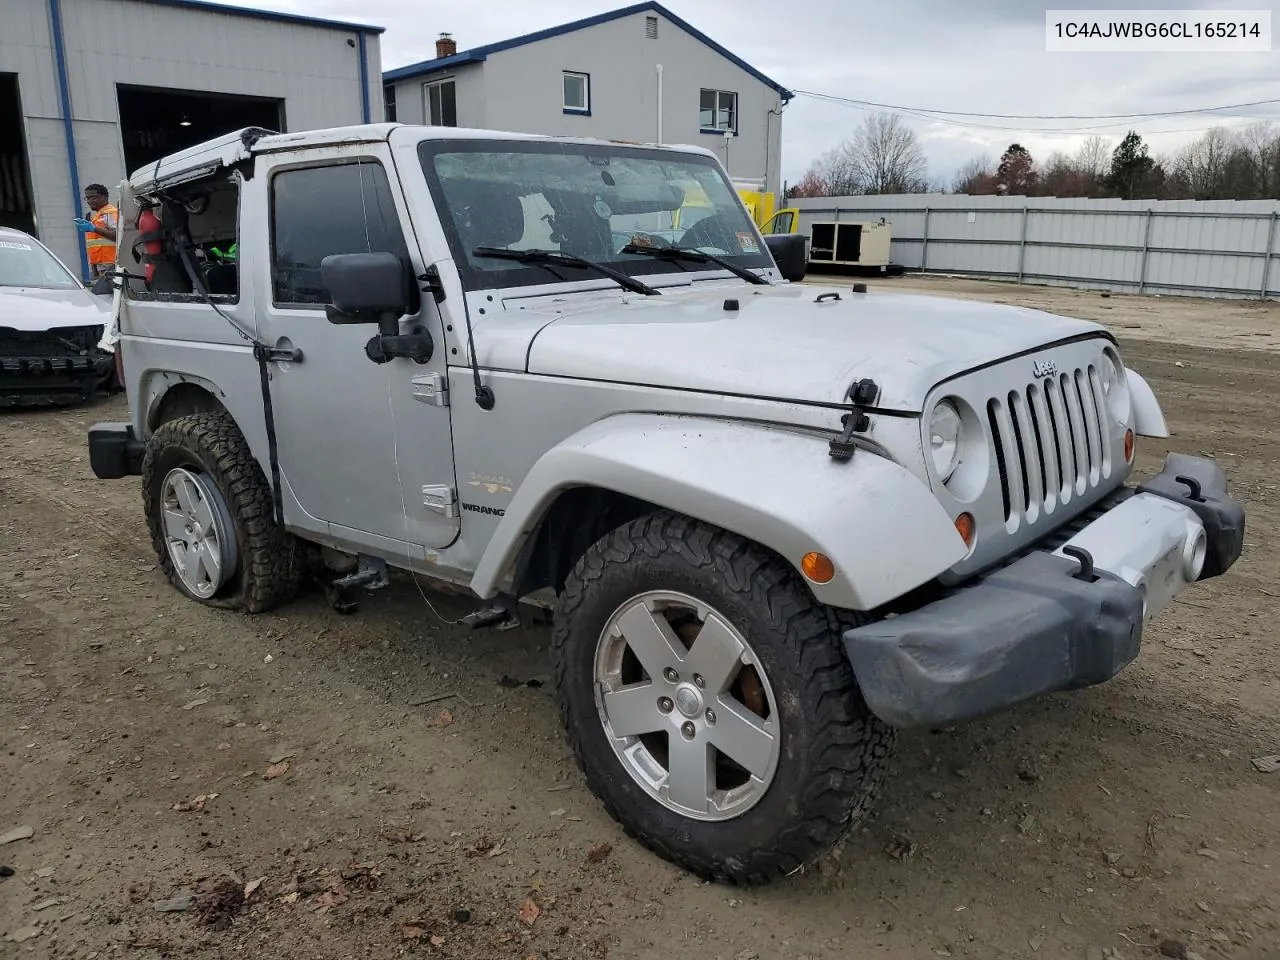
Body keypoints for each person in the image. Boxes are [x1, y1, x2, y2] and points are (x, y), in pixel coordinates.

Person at [74, 184, 118, 279]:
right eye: (87, 198)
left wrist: (93, 228)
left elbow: (118, 236)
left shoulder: (111, 213)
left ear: (105, 197)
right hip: (100, 263)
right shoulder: (99, 215)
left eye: (93, 197)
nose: (89, 201)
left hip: (110, 263)